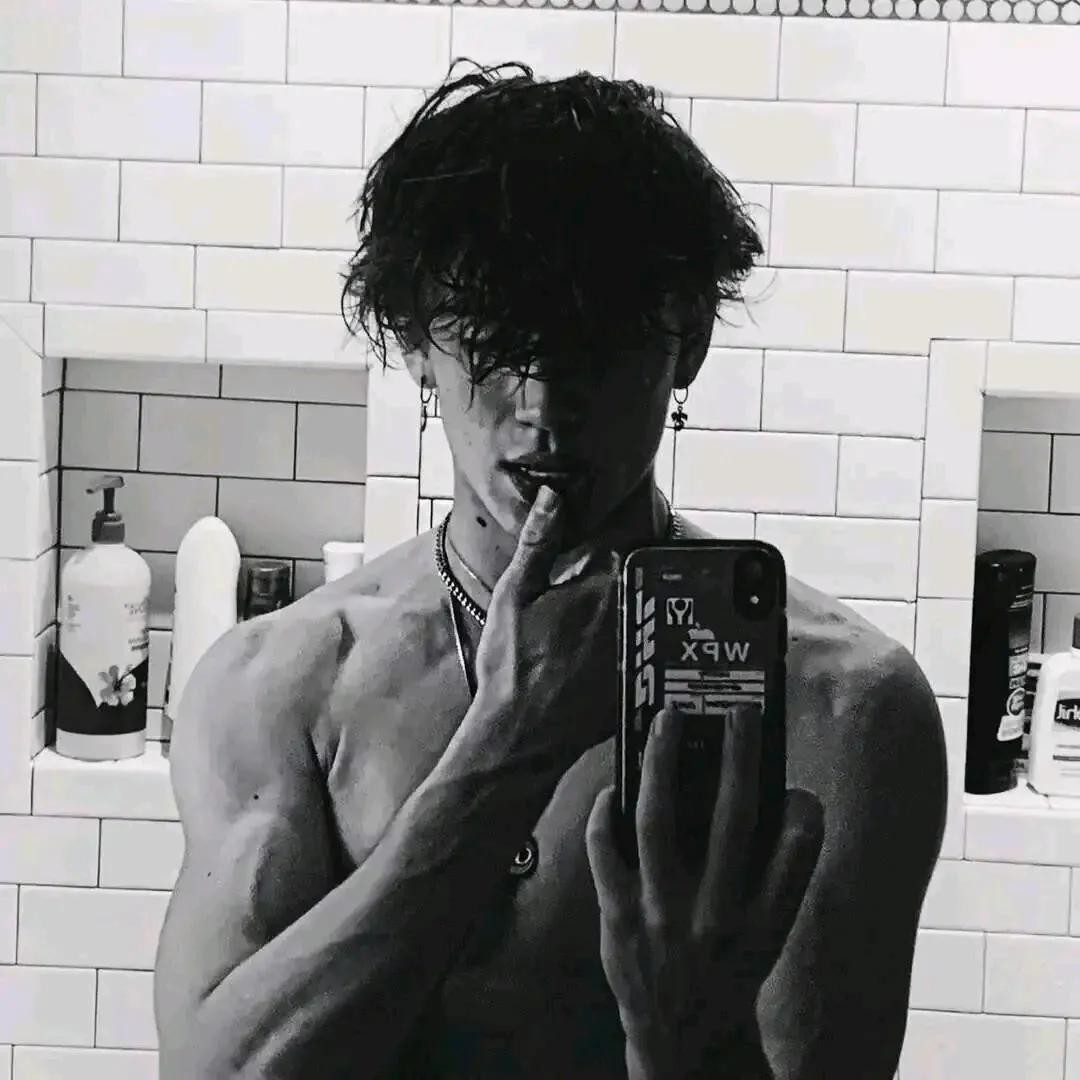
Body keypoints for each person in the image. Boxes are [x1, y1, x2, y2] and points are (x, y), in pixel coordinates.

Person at [153, 60, 948, 1079]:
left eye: (597, 340)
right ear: (414, 342)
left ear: (688, 341)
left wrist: (694, 1045)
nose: (544, 401)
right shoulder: (284, 687)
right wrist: (505, 750)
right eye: (495, 341)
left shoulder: (842, 707)